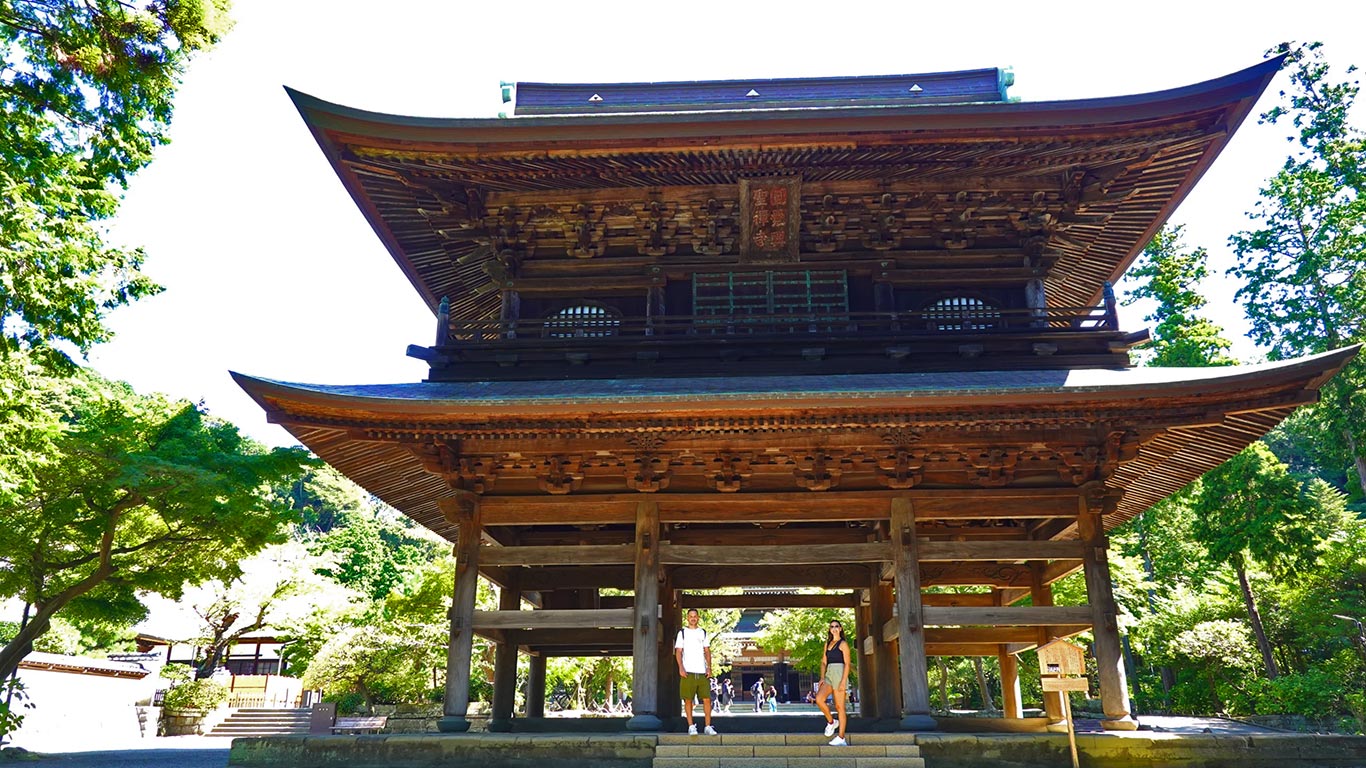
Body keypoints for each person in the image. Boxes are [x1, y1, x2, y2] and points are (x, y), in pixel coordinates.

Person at [674, 608, 717, 736]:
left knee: (707, 699)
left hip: (702, 670)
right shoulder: (682, 633)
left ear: (698, 618)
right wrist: (680, 667)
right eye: (690, 616)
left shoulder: (702, 632)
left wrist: (709, 667)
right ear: (687, 618)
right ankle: (691, 726)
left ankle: (708, 726)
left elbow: (707, 651)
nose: (693, 618)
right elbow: (678, 651)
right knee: (688, 700)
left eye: (695, 616)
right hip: (688, 670)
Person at [816, 618, 851, 746]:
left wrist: (843, 681)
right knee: (819, 699)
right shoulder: (827, 644)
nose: (834, 628)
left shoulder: (843, 644)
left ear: (840, 629)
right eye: (832, 626)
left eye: (837, 626)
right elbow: (823, 662)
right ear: (830, 629)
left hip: (840, 673)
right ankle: (831, 722)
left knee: (839, 707)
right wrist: (821, 677)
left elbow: (847, 664)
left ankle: (841, 737)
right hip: (829, 674)